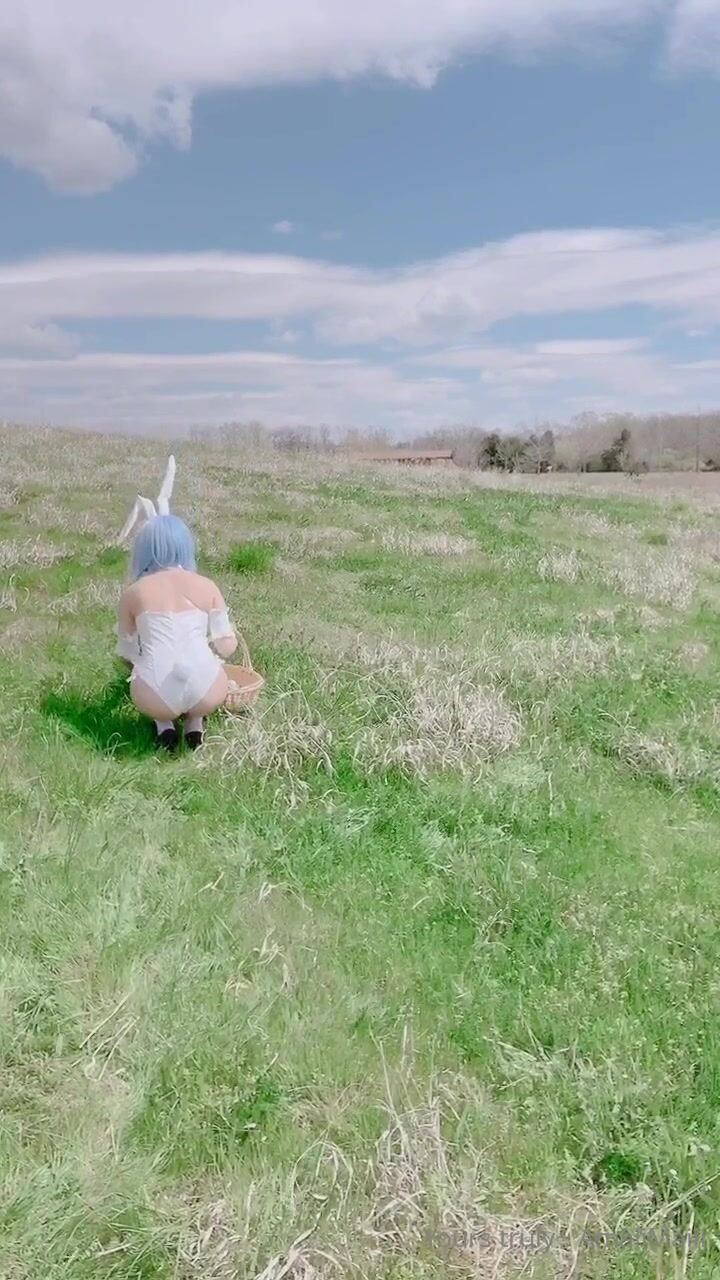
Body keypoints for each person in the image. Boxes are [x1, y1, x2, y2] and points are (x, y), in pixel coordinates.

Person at [116, 514, 238, 751]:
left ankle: (164, 725)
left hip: (154, 694)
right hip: (207, 691)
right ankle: (195, 723)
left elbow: (126, 651)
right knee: (208, 668)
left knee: (146, 669)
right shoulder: (207, 586)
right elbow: (226, 646)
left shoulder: (133, 593)